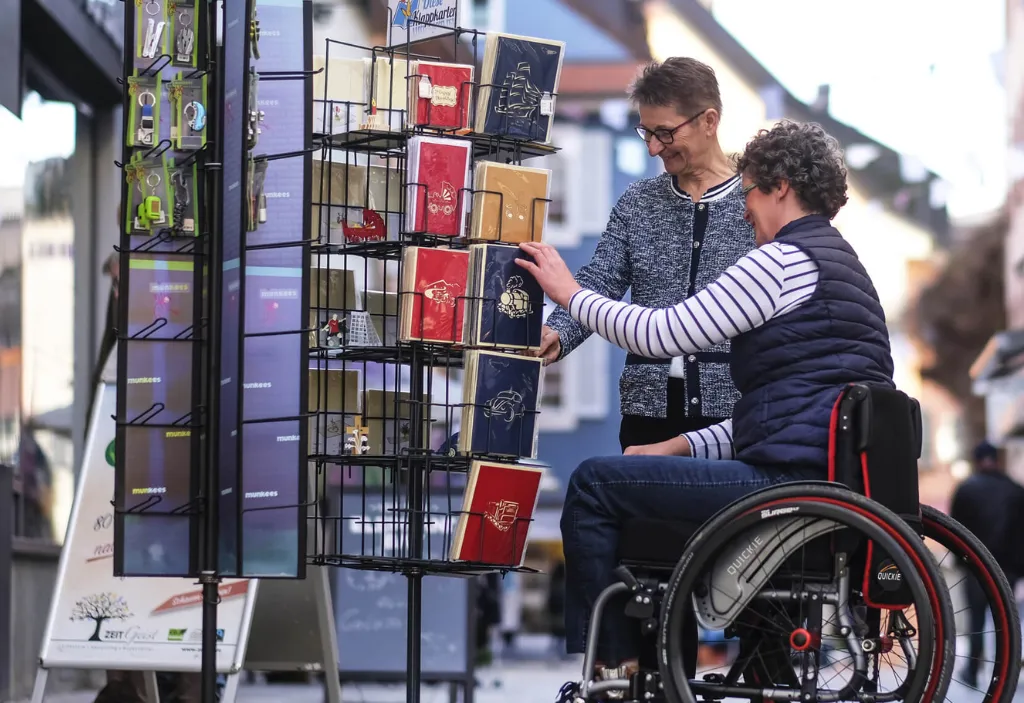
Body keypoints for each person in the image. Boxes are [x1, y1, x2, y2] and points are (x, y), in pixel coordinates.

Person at [517, 120, 895, 688]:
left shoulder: (781, 263)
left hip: (787, 486)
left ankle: (614, 671)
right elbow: (795, 412)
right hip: (827, 482)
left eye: (748, 192)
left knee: (595, 484)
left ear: (781, 186)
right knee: (634, 475)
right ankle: (693, 665)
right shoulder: (845, 268)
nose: (743, 210)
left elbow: (665, 333)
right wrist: (680, 444)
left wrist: (569, 295)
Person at [539, 57, 755, 452]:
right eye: (647, 132)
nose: (654, 147)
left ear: (709, 121)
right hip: (647, 412)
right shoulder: (638, 202)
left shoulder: (756, 203)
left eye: (666, 133)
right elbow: (601, 279)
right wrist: (559, 330)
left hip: (733, 414)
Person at [949, 441, 1024, 686]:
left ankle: (972, 671)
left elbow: (953, 530)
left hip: (975, 567)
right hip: (1007, 568)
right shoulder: (1015, 490)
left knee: (976, 622)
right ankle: (1005, 674)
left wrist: (960, 561)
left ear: (976, 460)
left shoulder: (966, 489)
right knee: (1005, 622)